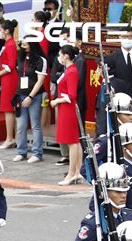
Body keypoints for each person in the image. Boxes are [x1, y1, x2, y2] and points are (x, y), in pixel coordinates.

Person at [51, 44, 83, 185]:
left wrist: (57, 100)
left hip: (67, 108)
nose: (59, 57)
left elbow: (71, 95)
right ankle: (77, 172)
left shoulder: (71, 72)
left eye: (60, 55)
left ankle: (72, 173)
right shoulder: (69, 70)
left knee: (72, 142)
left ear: (66, 56)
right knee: (74, 141)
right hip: (66, 108)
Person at [13, 40, 47, 164]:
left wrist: (31, 96)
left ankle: (37, 153)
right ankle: (21, 152)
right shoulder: (21, 57)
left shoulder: (40, 60)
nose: (23, 46)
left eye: (26, 44)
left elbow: (40, 81)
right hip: (21, 94)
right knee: (21, 126)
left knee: (35, 125)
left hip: (35, 96)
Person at [0, 19, 18, 148]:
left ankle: (9, 138)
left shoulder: (10, 45)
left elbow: (11, 65)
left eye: (1, 30)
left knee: (8, 109)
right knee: (9, 110)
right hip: (6, 78)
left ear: (7, 31)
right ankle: (12, 137)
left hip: (9, 78)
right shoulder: (7, 44)